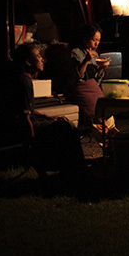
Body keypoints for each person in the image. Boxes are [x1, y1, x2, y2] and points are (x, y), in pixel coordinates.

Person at [11, 43, 86, 181]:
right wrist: (32, 142)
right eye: (39, 56)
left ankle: (72, 168)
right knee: (66, 127)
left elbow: (29, 109)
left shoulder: (24, 78)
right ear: (28, 61)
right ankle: (75, 170)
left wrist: (49, 116)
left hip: (31, 122)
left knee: (62, 122)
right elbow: (24, 117)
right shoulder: (24, 81)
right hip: (23, 128)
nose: (43, 60)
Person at [66, 24, 112, 132]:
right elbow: (77, 77)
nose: (96, 43)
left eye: (98, 40)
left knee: (107, 113)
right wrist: (86, 60)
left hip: (93, 87)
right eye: (94, 40)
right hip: (81, 87)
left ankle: (111, 137)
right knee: (96, 115)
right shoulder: (75, 52)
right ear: (85, 38)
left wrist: (102, 68)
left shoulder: (95, 54)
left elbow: (96, 79)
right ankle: (103, 137)